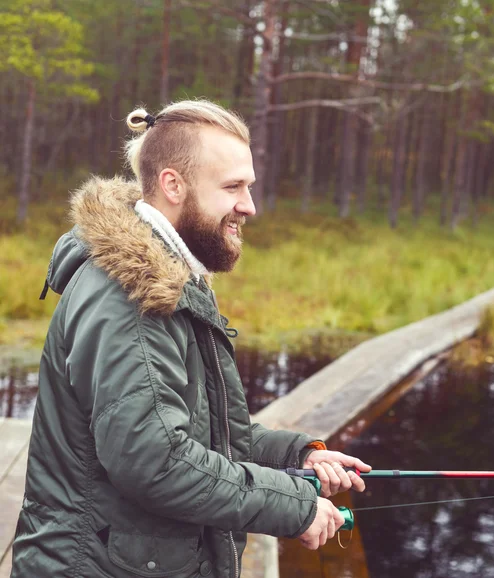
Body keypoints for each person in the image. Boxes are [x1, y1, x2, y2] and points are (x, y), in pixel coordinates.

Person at [11, 99, 370, 578]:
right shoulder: (131, 300)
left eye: (249, 186)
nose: (250, 205)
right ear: (173, 185)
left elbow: (183, 425)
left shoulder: (165, 279)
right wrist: (294, 506)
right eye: (232, 187)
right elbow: (155, 462)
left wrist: (295, 455)